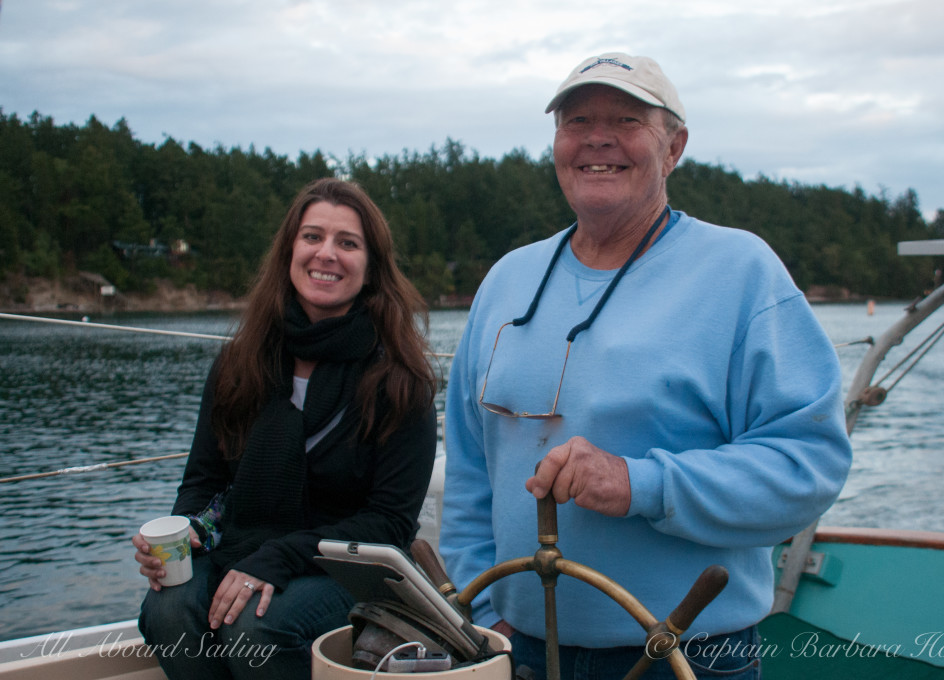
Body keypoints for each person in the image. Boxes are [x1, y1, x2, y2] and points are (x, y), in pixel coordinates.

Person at [440, 53, 852, 680]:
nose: (597, 138)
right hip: (516, 651)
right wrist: (483, 608)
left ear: (675, 147)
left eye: (627, 120)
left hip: (686, 654)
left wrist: (642, 485)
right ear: (557, 144)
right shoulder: (506, 280)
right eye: (577, 120)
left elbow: (809, 464)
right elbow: (471, 465)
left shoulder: (742, 272)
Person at [132, 178, 438, 679]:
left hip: (347, 567)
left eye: (348, 243)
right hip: (241, 544)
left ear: (371, 266)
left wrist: (279, 558)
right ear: (290, 251)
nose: (327, 254)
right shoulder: (239, 363)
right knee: (168, 609)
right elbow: (204, 481)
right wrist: (183, 532)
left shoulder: (399, 380)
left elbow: (389, 522)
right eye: (312, 236)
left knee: (257, 625)